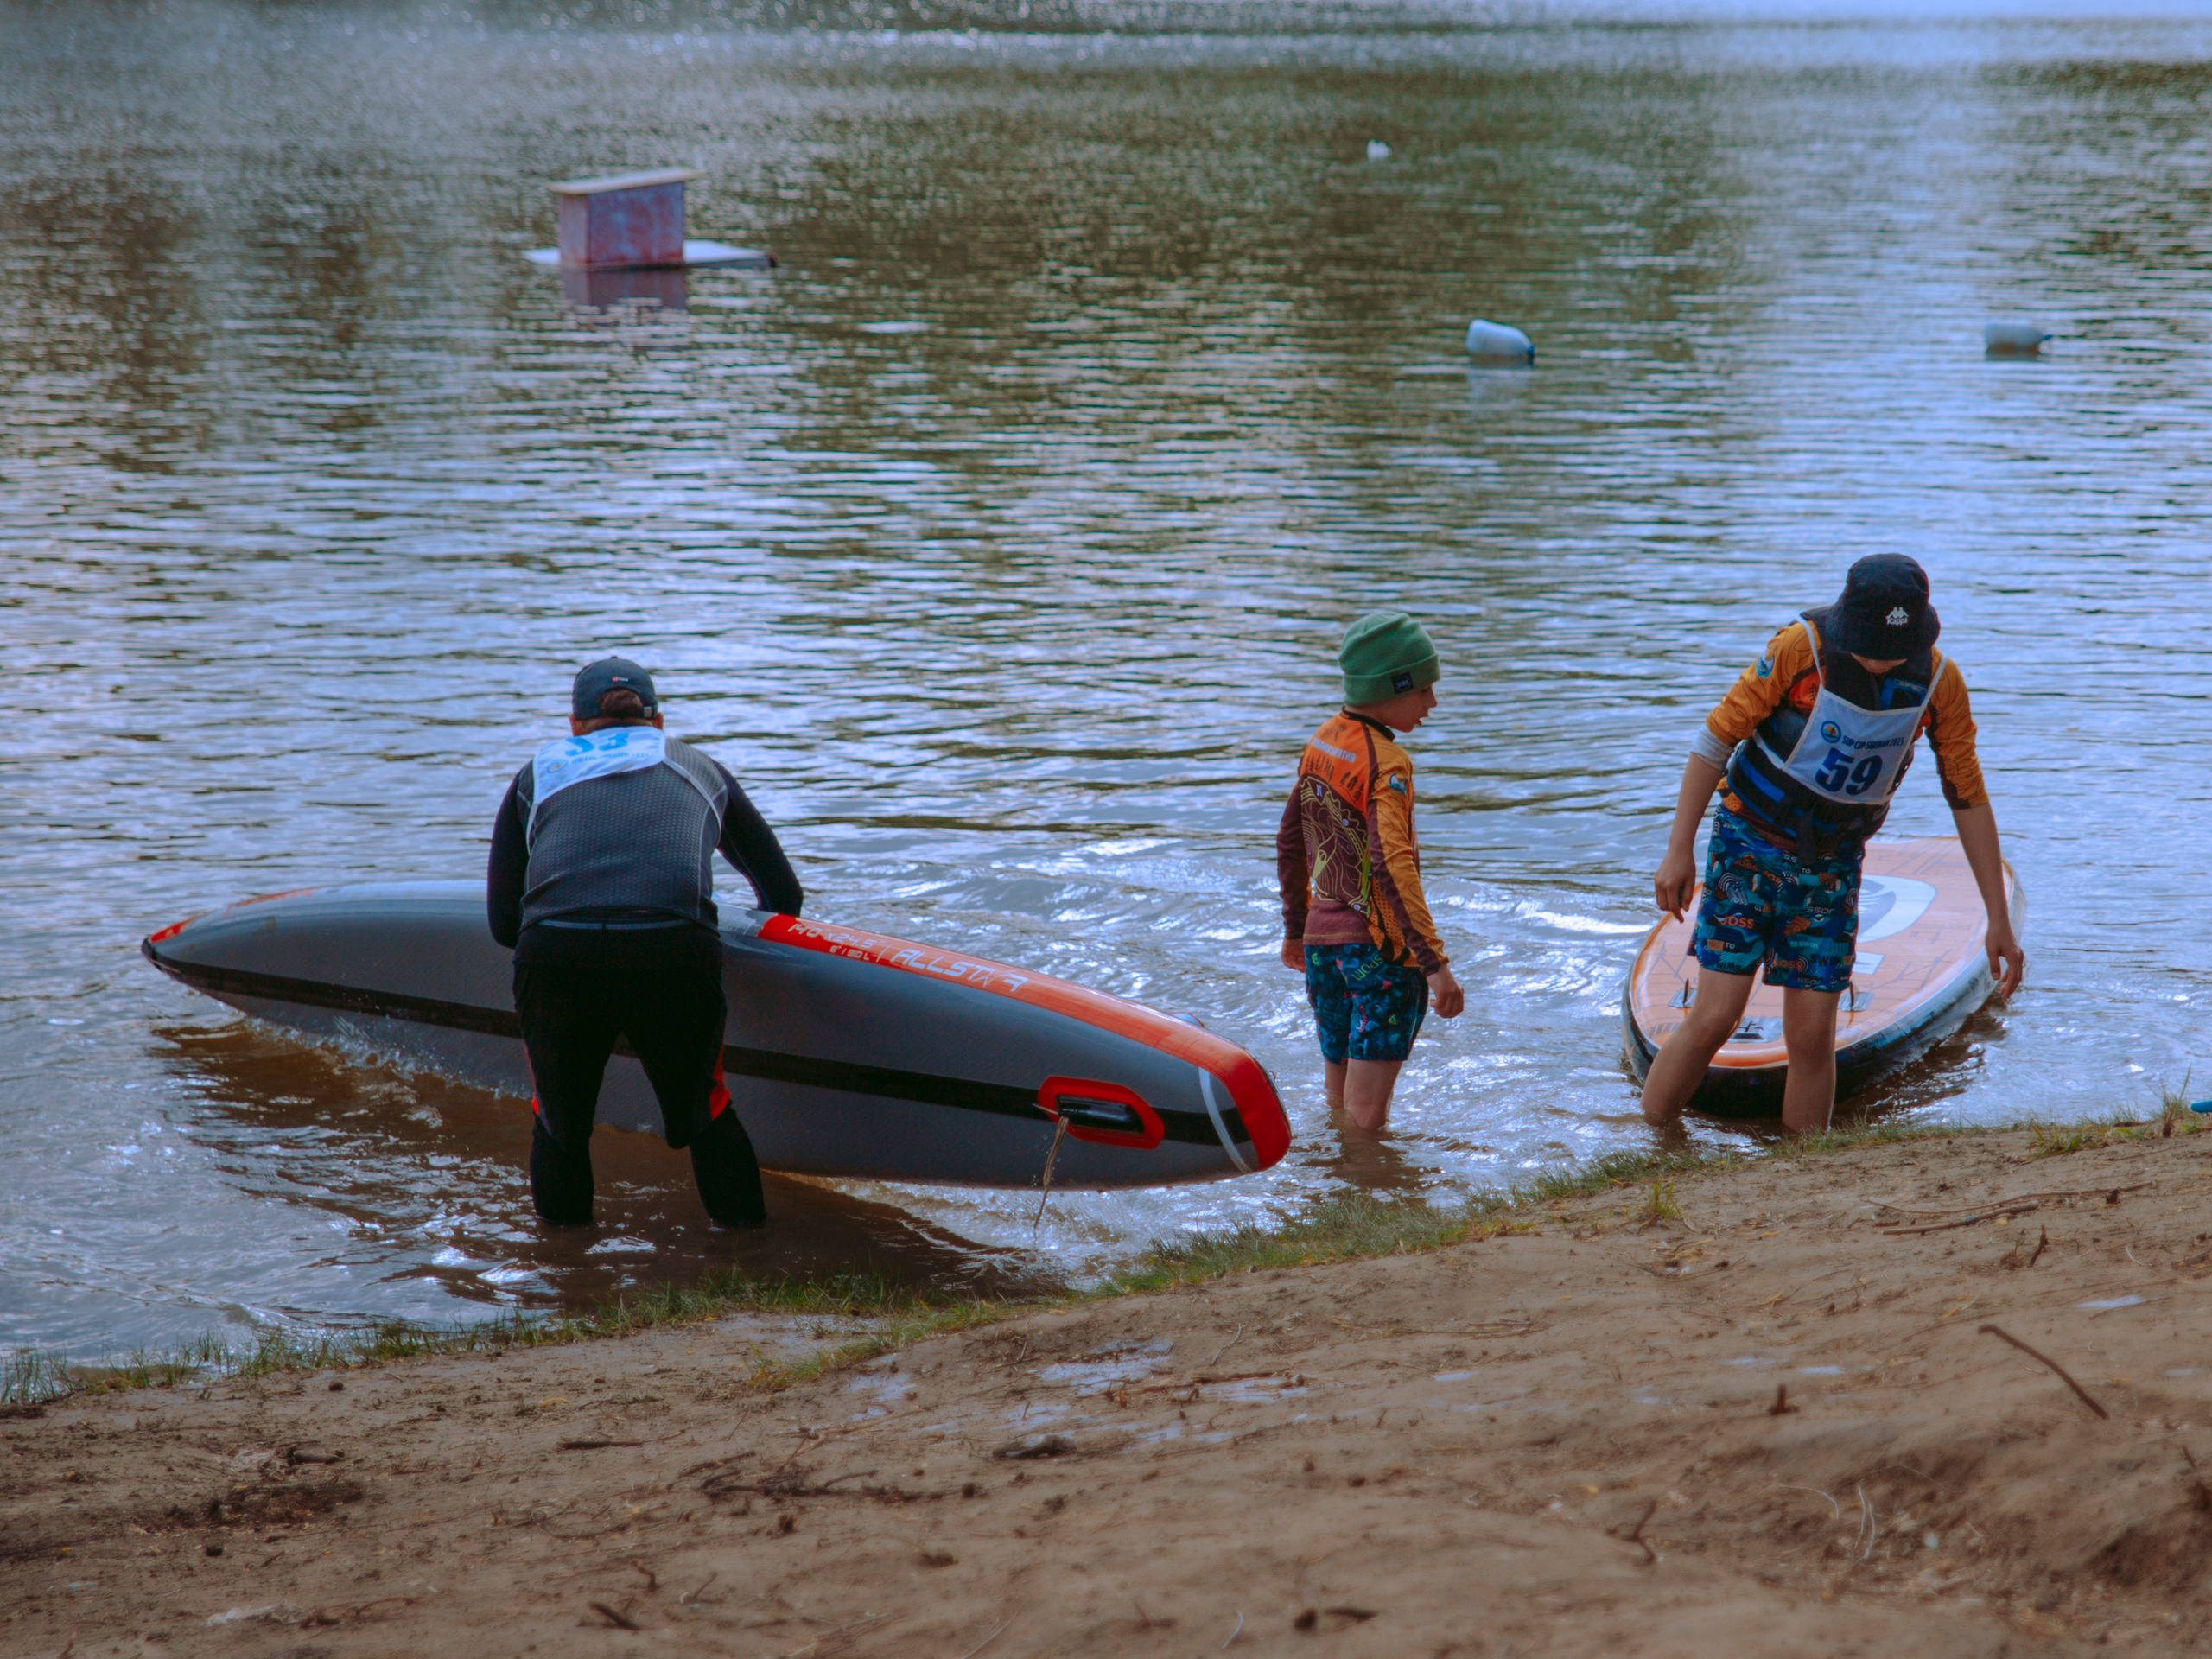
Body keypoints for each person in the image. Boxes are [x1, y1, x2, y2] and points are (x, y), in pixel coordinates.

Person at [1640, 555, 2025, 1134]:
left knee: (1814, 1035)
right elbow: (1715, 740)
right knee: (1717, 1012)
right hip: (1748, 845)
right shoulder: (1800, 650)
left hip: (1831, 866)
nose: (1876, 658)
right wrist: (1679, 849)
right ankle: (1653, 1141)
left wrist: (1998, 918)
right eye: (1867, 643)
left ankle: (1806, 1169)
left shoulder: (1939, 684)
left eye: (1891, 648)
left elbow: (1966, 796)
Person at [486, 657, 804, 1229]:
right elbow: (783, 894)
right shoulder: (699, 767)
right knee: (706, 1112)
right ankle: (750, 1265)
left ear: (575, 725)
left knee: (559, 1126)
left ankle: (568, 1281)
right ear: (657, 723)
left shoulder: (536, 774)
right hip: (672, 949)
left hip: (558, 956)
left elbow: (505, 925)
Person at [1276, 612, 1466, 1133]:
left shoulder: (1321, 743)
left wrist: (1296, 930)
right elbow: (1390, 861)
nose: (1431, 704)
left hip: (1323, 950)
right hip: (1379, 955)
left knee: (1339, 1099)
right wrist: (1433, 963)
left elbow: (1290, 840)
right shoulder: (1388, 761)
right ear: (1393, 686)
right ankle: (1366, 1192)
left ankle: (1336, 1194)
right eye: (1424, 690)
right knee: (1368, 1116)